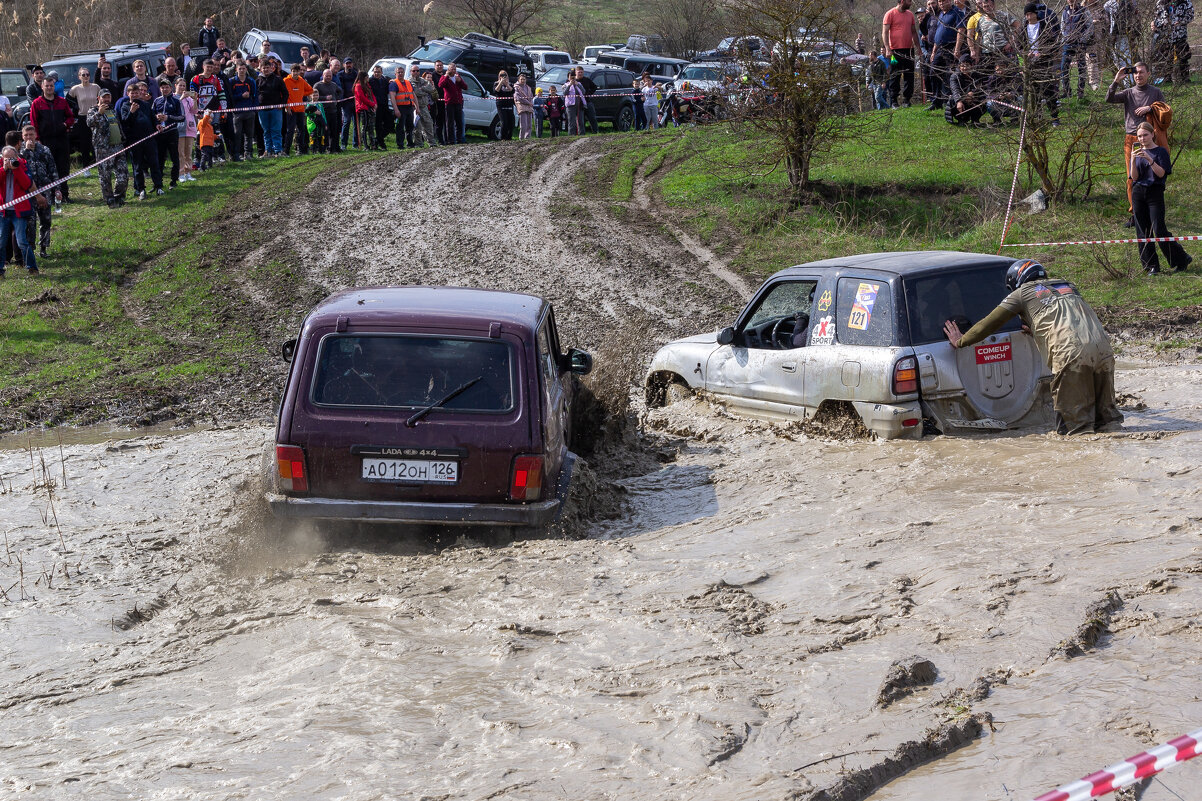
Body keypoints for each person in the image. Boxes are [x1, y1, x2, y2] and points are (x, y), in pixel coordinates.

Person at [944, 259, 1122, 435]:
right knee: (1108, 422)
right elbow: (1066, 317)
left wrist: (962, 340)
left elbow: (990, 323)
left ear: (1017, 281)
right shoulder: (1067, 285)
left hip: (1071, 353)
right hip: (1103, 350)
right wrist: (1037, 329)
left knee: (1076, 430)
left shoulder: (1021, 293)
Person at [1106, 62, 1168, 219]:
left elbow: (1165, 111)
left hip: (1150, 138)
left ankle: (1152, 208)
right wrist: (1116, 80)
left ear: (1148, 73)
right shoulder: (1128, 92)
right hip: (1132, 138)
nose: (1138, 75)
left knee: (1152, 173)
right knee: (1132, 177)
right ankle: (1135, 213)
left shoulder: (1156, 92)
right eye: (1135, 73)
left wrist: (1150, 108)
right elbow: (1109, 99)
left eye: (1141, 72)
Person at [1129, 121, 1191, 274]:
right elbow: (1134, 177)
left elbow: (1161, 173)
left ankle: (1181, 259)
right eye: (1139, 136)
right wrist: (1132, 159)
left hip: (1154, 192)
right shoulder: (1137, 152)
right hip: (1138, 192)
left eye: (1145, 135)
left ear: (1152, 134)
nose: (1142, 139)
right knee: (1142, 231)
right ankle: (1152, 266)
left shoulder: (1160, 152)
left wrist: (1149, 159)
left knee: (1159, 229)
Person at [29, 78, 74, 201]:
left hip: (61, 139)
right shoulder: (37, 103)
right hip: (45, 141)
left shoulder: (62, 102)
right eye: (47, 86)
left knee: (63, 168)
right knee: (48, 169)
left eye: (51, 86)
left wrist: (65, 125)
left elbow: (70, 117)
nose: (49, 88)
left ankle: (64, 194)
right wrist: (37, 139)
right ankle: (51, 195)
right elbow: (34, 123)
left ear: (54, 87)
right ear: (42, 87)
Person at [117, 82, 163, 198]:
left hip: (149, 138)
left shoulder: (146, 105)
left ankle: (158, 186)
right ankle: (141, 189)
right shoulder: (125, 106)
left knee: (154, 163)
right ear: (128, 94)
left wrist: (157, 124)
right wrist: (131, 112)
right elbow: (125, 122)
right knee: (137, 166)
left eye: (136, 93)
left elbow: (153, 118)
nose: (135, 95)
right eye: (132, 93)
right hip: (135, 141)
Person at [18, 125, 57, 258]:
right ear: (22, 137)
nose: (29, 138)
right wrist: (27, 151)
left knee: (45, 221)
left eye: (31, 135)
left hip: (45, 189)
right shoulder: (19, 152)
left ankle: (44, 248)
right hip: (27, 193)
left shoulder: (44, 150)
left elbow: (53, 169)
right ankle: (30, 250)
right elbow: (19, 167)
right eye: (26, 135)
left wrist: (57, 189)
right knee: (30, 222)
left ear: (35, 135)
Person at [86, 89, 128, 205]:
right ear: (99, 98)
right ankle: (109, 198)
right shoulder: (93, 110)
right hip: (103, 148)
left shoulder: (113, 110)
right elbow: (89, 123)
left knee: (123, 175)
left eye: (108, 97)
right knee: (105, 175)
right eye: (104, 97)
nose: (107, 99)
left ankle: (119, 196)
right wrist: (99, 113)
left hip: (118, 146)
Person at [0, 146, 38, 275]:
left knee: (22, 241)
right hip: (3, 211)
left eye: (12, 158)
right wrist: (4, 169)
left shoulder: (23, 165)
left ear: (17, 156)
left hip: (19, 211)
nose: (10, 161)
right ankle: (0, 270)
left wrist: (16, 169)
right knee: (1, 241)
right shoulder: (1, 167)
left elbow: (27, 184)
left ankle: (32, 267)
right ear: (2, 158)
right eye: (7, 158)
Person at [1023, 1, 1061, 125]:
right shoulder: (1023, 28)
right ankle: (1038, 116)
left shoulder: (1044, 25)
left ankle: (1054, 117)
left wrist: (1043, 52)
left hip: (1044, 62)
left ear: (1035, 14)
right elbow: (1019, 44)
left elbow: (1052, 42)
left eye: (1030, 14)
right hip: (1030, 63)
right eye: (1026, 14)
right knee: (1034, 91)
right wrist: (1025, 53)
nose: (1028, 17)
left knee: (1048, 90)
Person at [882, 0, 922, 107]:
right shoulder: (890, 14)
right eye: (909, 1)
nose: (911, 3)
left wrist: (918, 47)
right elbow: (885, 32)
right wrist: (887, 48)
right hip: (895, 51)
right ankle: (894, 101)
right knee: (895, 74)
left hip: (909, 50)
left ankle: (906, 100)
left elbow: (913, 32)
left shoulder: (910, 15)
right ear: (902, 1)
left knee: (909, 75)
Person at [929, 0, 966, 110]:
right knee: (933, 72)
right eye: (939, 1)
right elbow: (938, 34)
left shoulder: (957, 12)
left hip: (951, 48)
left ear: (949, 1)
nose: (941, 3)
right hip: (939, 48)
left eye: (944, 1)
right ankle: (936, 101)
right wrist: (933, 52)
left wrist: (957, 48)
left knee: (949, 75)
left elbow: (961, 30)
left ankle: (950, 101)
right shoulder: (941, 14)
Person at [152, 79, 184, 187]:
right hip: (160, 133)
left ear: (171, 88)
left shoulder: (176, 101)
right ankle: (158, 182)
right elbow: (152, 115)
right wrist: (157, 119)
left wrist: (168, 117)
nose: (164, 89)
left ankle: (174, 180)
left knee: (174, 157)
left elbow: (182, 117)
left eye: (166, 87)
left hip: (172, 132)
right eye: (162, 87)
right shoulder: (156, 101)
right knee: (160, 158)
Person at [1060, 0, 1094, 99]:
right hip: (1067, 43)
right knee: (1063, 68)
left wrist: (1082, 39)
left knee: (1081, 68)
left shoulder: (1084, 11)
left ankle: (1080, 92)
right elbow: (1062, 26)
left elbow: (1090, 26)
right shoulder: (1065, 11)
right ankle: (1067, 92)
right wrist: (1066, 37)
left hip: (1080, 44)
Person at [68, 66, 100, 170]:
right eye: (83, 75)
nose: (86, 76)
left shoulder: (96, 87)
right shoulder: (75, 89)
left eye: (87, 74)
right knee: (85, 143)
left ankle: (99, 164)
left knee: (97, 141)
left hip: (95, 115)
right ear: (79, 77)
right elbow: (68, 101)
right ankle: (86, 167)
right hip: (83, 117)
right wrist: (76, 108)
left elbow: (101, 99)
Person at [257, 58, 288, 156]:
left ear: (272, 68)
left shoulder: (278, 79)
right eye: (264, 68)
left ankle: (278, 150)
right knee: (266, 131)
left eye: (267, 67)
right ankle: (268, 151)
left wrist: (282, 104)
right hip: (262, 110)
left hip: (276, 109)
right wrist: (257, 105)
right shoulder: (258, 80)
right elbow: (254, 94)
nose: (266, 70)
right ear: (261, 69)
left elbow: (285, 93)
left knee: (276, 130)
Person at [227, 62, 257, 161]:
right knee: (237, 134)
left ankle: (248, 153)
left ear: (246, 69)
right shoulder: (232, 81)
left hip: (249, 111)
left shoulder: (251, 81)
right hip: (237, 112)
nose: (242, 71)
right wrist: (240, 96)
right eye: (240, 69)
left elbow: (255, 95)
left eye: (243, 69)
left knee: (249, 134)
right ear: (236, 69)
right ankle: (237, 154)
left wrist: (254, 109)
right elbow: (230, 97)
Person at [283, 63, 314, 155]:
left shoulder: (301, 80)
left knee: (301, 130)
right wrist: (287, 106)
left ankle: (300, 150)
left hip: (300, 109)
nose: (295, 73)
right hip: (291, 109)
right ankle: (286, 151)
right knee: (290, 130)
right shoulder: (286, 80)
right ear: (291, 71)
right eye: (293, 71)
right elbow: (283, 94)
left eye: (297, 71)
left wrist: (301, 94)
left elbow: (310, 90)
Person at [946, 55, 985, 123]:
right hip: (961, 98)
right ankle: (962, 119)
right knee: (953, 99)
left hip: (973, 98)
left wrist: (972, 93)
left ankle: (975, 119)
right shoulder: (954, 76)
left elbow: (980, 87)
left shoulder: (976, 75)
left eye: (967, 65)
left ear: (971, 66)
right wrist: (959, 101)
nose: (965, 68)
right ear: (959, 67)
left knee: (983, 98)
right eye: (962, 66)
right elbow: (955, 90)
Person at [312, 68, 342, 153]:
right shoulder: (317, 85)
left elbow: (340, 91)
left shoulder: (333, 84)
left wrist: (337, 98)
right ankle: (323, 148)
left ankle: (332, 149)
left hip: (333, 111)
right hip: (322, 112)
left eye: (330, 76)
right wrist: (325, 98)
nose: (328, 77)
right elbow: (313, 96)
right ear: (323, 76)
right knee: (324, 131)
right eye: (326, 76)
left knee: (334, 131)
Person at [439, 63, 468, 145]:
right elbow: (441, 85)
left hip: (458, 103)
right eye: (452, 69)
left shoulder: (457, 77)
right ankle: (451, 140)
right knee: (450, 123)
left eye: (454, 69)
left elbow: (465, 87)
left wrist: (460, 81)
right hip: (449, 103)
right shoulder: (444, 77)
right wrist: (446, 76)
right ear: (448, 69)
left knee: (459, 122)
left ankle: (459, 139)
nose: (453, 70)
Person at [389, 66, 416, 149]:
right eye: (398, 72)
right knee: (400, 127)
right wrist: (396, 110)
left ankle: (410, 143)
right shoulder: (393, 84)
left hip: (409, 107)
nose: (400, 74)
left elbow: (413, 95)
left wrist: (417, 107)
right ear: (395, 74)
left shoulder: (408, 82)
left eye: (402, 72)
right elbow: (392, 97)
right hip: (400, 108)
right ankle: (400, 144)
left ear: (404, 73)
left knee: (410, 126)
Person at [410, 67, 438, 147]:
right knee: (417, 127)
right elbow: (415, 92)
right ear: (411, 72)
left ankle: (432, 143)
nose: (416, 72)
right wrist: (425, 91)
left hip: (424, 106)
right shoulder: (409, 81)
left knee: (429, 124)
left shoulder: (423, 80)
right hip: (414, 107)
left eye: (417, 71)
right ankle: (418, 144)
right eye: (414, 71)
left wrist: (422, 89)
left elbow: (431, 88)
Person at [176, 78, 197, 181]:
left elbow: (194, 111)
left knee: (188, 152)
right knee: (181, 153)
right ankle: (180, 173)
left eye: (184, 86)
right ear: (175, 86)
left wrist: (195, 100)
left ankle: (188, 172)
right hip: (179, 129)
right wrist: (181, 98)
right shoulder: (174, 98)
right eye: (180, 85)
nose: (182, 88)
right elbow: (175, 108)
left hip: (189, 127)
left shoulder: (188, 99)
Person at [368, 64, 394, 148]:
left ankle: (377, 139)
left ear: (382, 72)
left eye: (378, 72)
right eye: (375, 72)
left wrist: (391, 82)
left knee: (390, 125)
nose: (376, 73)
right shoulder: (370, 81)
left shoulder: (384, 80)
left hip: (385, 105)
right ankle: (381, 143)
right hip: (376, 106)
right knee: (378, 125)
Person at [335, 58, 358, 149]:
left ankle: (355, 144)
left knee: (356, 123)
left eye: (350, 63)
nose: (349, 65)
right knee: (346, 121)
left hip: (355, 101)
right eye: (347, 63)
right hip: (345, 102)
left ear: (352, 64)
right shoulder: (340, 75)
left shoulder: (356, 74)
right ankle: (343, 143)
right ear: (343, 65)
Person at [352, 70, 377, 150]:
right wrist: (372, 104)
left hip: (370, 107)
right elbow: (362, 98)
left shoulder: (367, 85)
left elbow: (372, 94)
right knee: (365, 126)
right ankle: (365, 145)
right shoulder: (358, 86)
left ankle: (373, 144)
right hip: (363, 108)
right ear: (365, 77)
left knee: (371, 126)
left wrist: (375, 103)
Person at [574, 66, 600, 133]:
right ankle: (581, 133)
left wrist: (589, 94)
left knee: (592, 118)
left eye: (581, 72)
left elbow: (594, 87)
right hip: (578, 103)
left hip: (587, 102)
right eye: (579, 72)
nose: (580, 74)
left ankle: (595, 132)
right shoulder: (573, 81)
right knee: (580, 120)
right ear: (575, 72)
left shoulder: (587, 80)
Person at [493, 70, 515, 140]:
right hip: (501, 105)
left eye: (505, 75)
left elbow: (512, 91)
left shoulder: (510, 84)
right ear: (499, 76)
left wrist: (506, 84)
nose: (503, 77)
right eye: (501, 75)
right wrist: (500, 82)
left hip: (509, 104)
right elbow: (496, 91)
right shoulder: (496, 83)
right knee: (504, 122)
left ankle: (509, 138)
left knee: (511, 123)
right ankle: (503, 138)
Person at [514, 74, 534, 139]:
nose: (523, 81)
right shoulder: (516, 87)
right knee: (523, 125)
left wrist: (531, 103)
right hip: (522, 106)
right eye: (521, 79)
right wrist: (528, 102)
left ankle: (527, 138)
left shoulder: (528, 87)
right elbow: (519, 98)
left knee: (529, 125)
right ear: (518, 80)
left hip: (529, 107)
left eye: (524, 79)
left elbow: (531, 96)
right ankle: (521, 138)